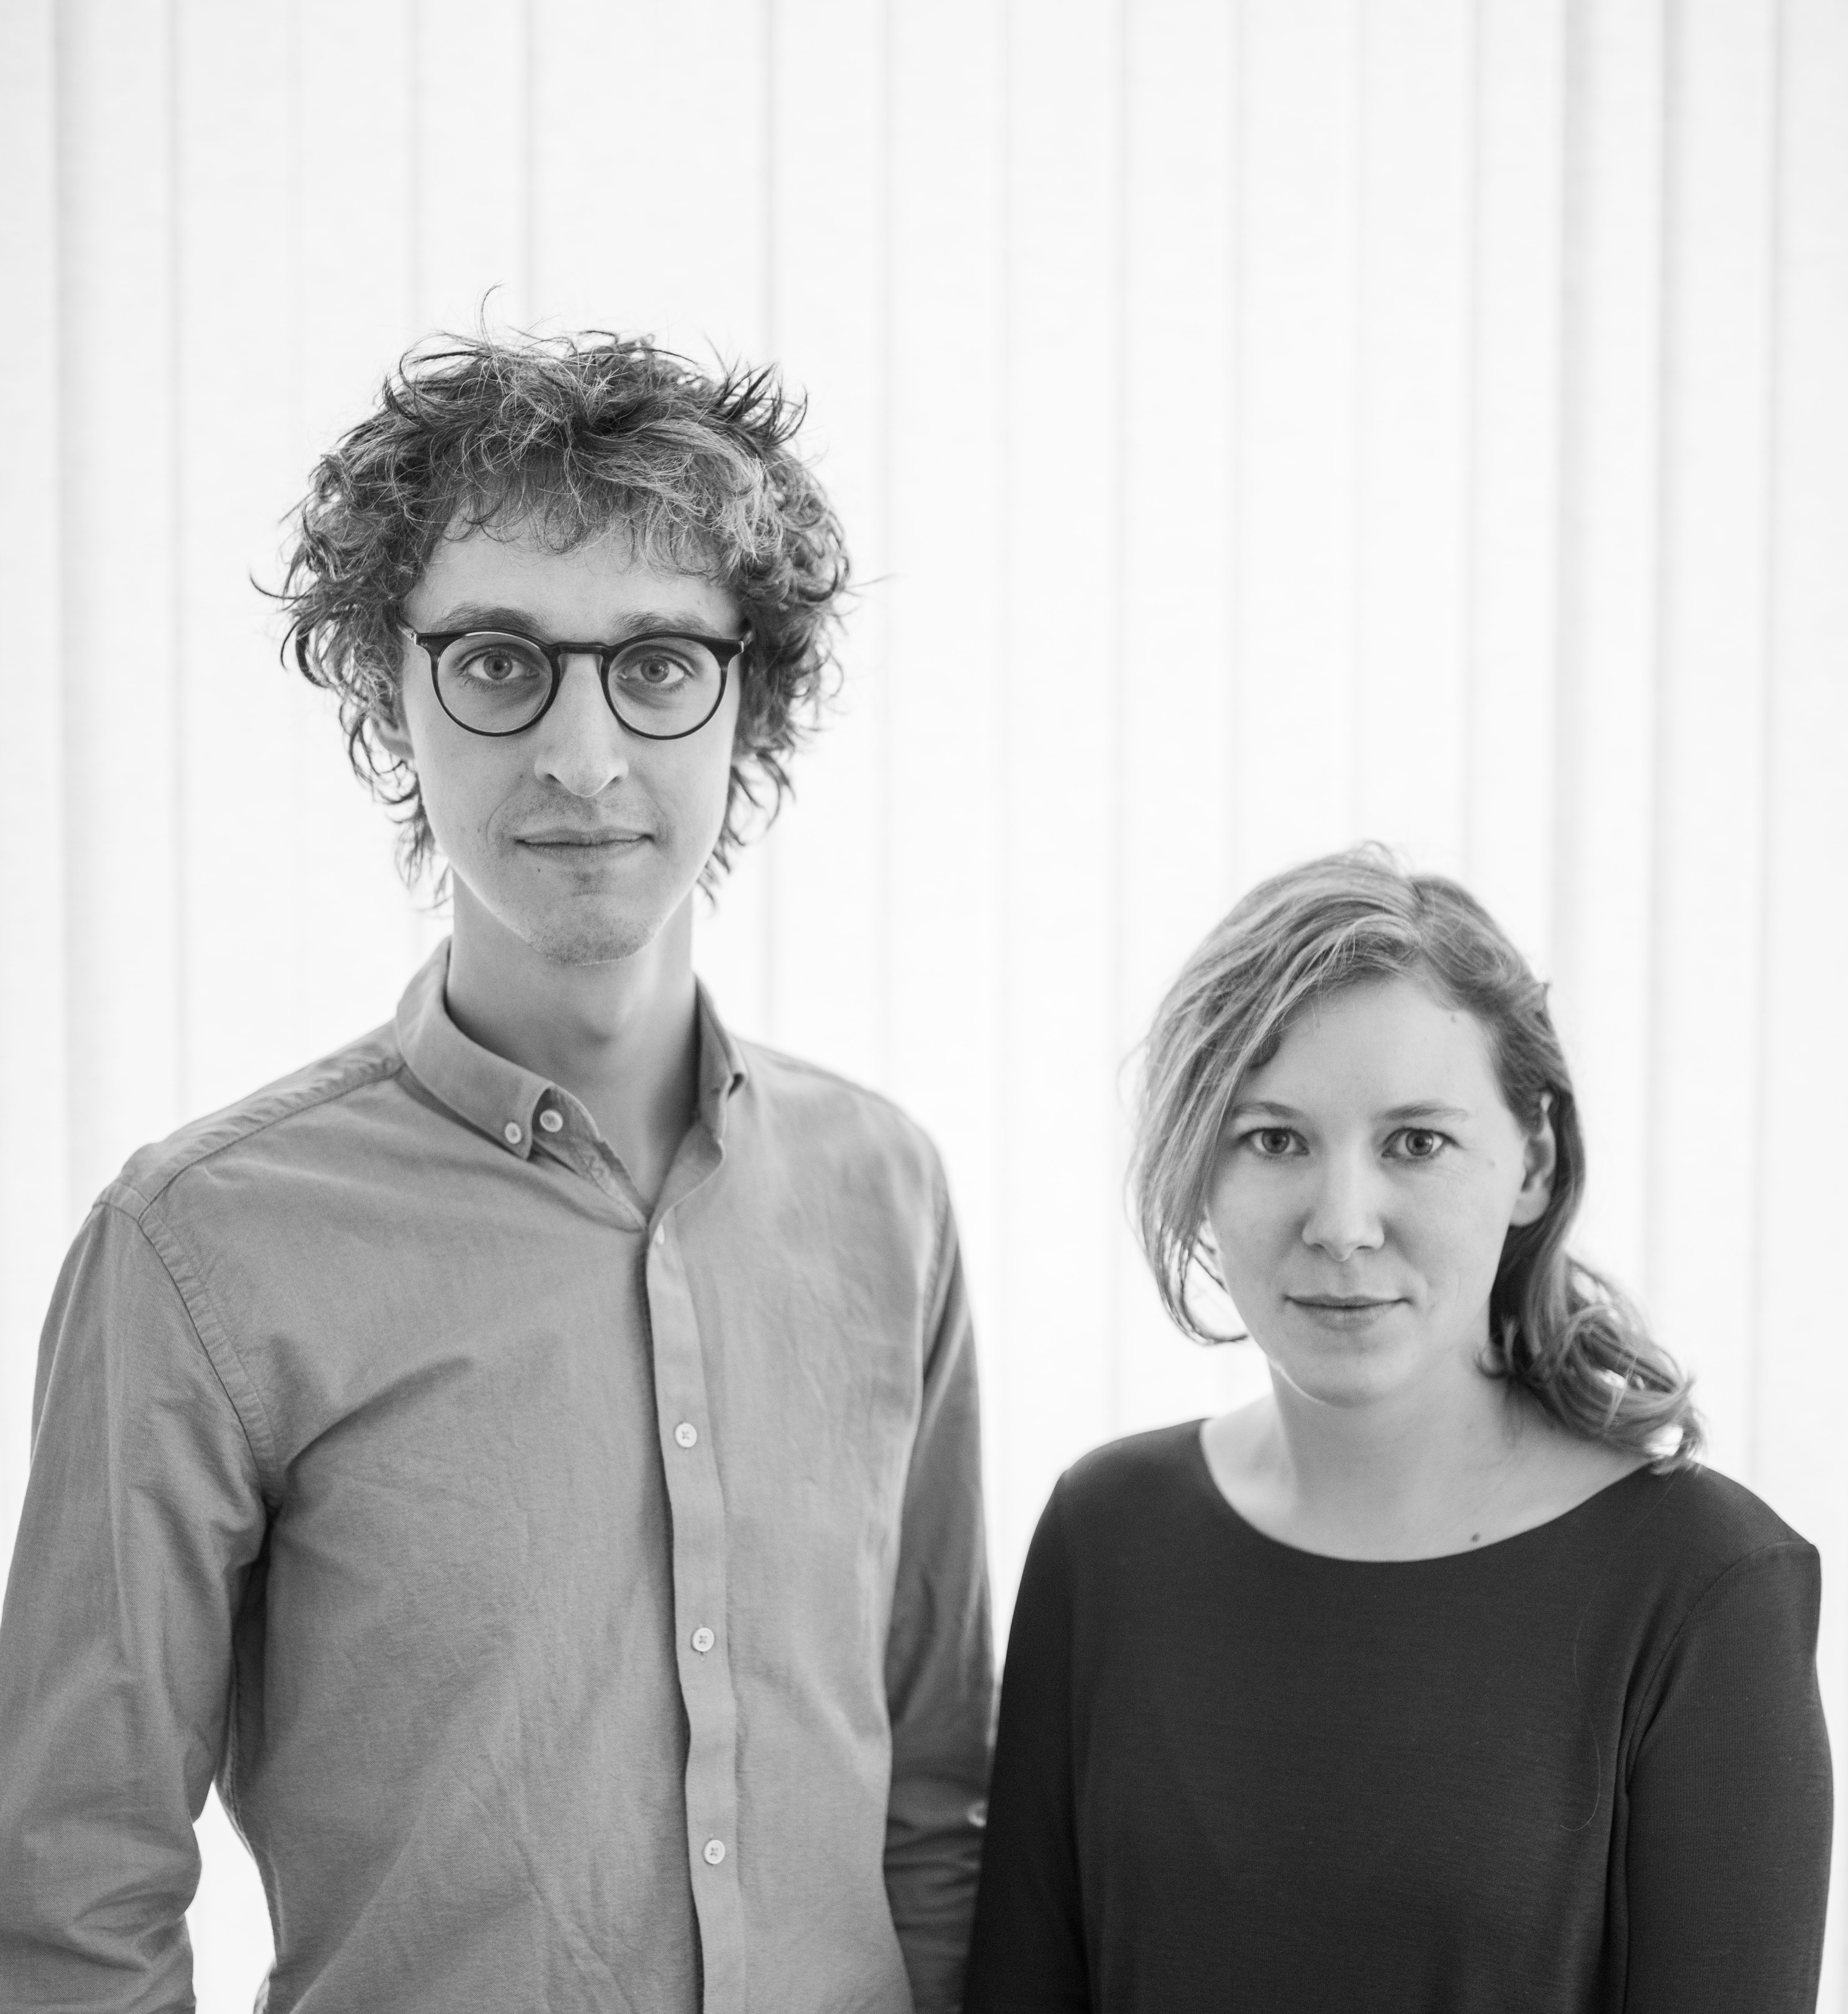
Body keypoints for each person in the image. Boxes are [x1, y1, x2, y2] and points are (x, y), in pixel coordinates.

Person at [0, 334, 992, 2014]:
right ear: (391, 695)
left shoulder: (883, 1193)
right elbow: (69, 1894)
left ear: (747, 698)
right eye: (498, 662)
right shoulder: (199, 1248)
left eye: (658, 663)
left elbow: (937, 1812)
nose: (583, 756)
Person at [965, 847, 1830, 2013]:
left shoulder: (1703, 1585)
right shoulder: (1104, 1534)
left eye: (1416, 1142)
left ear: (1533, 1162)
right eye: (1273, 1139)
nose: (1342, 1223)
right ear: (1197, 1167)